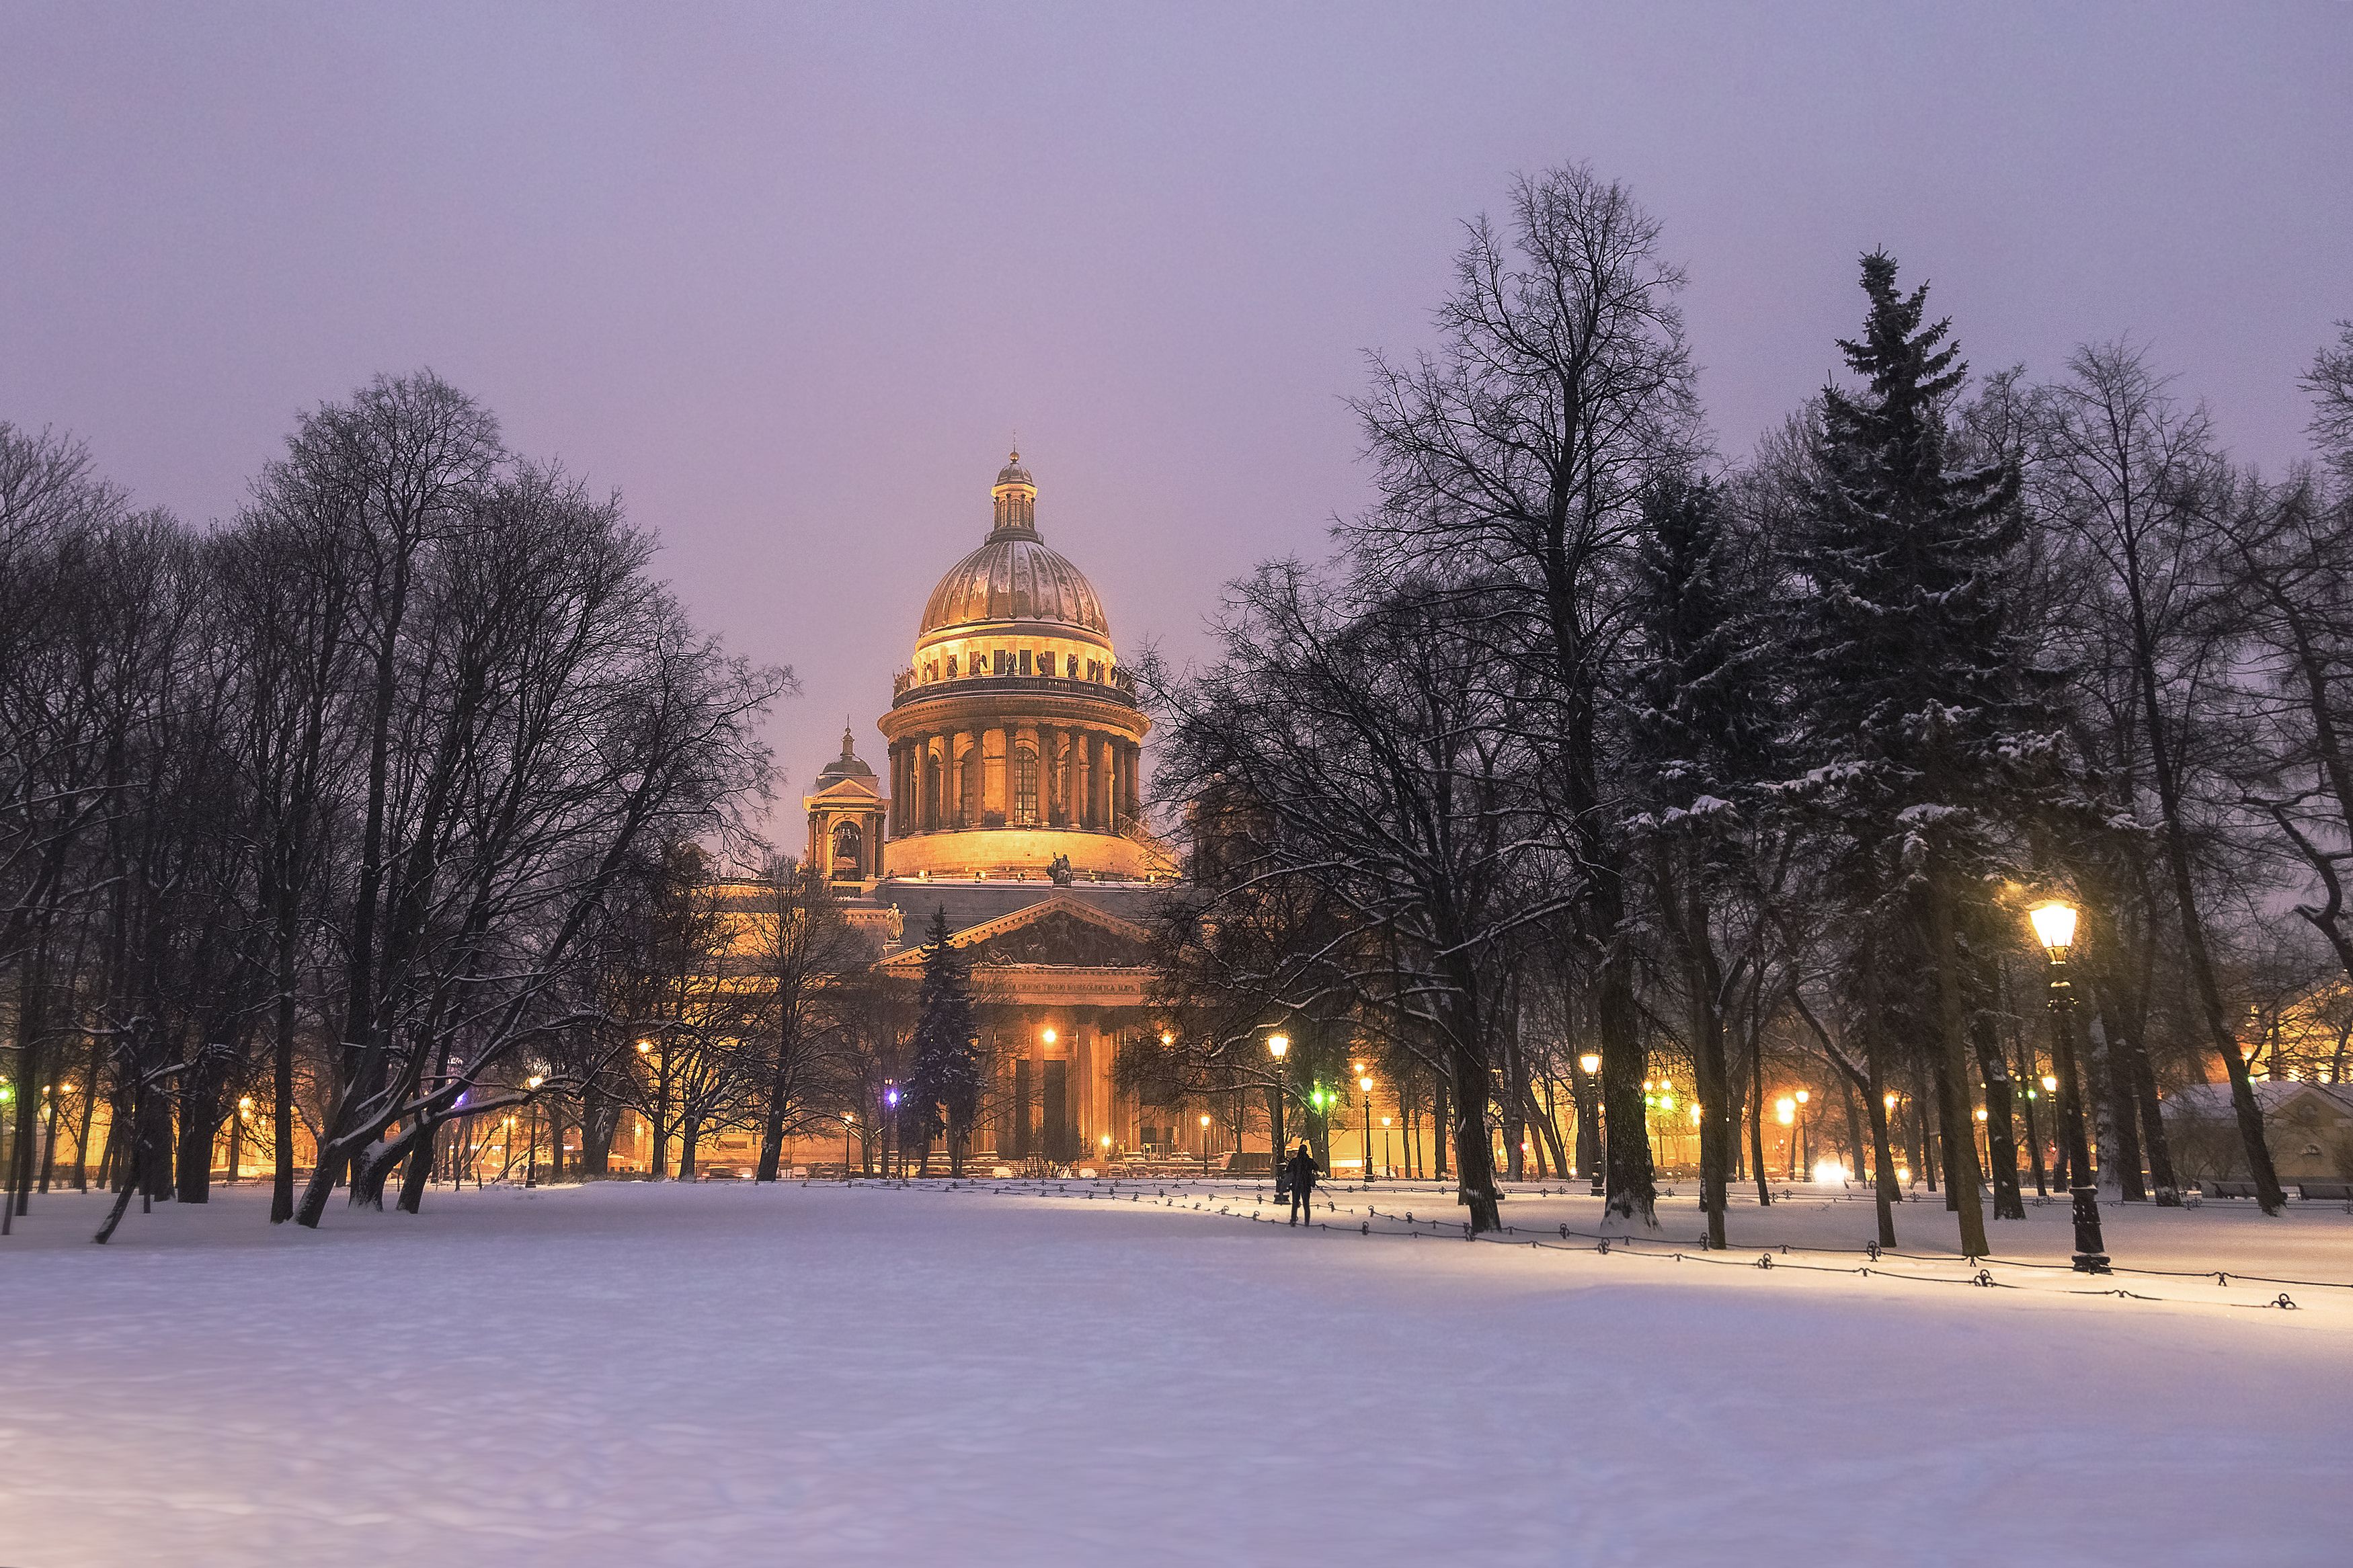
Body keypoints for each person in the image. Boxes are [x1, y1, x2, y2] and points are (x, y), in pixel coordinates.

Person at [1283, 1141, 1320, 1226]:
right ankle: (1307, 1222)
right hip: (1306, 1185)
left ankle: (1293, 1220)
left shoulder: (1295, 1161)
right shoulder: (1310, 1161)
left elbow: (1288, 1170)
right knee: (1306, 1204)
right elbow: (1317, 1167)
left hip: (1296, 1185)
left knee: (1295, 1204)